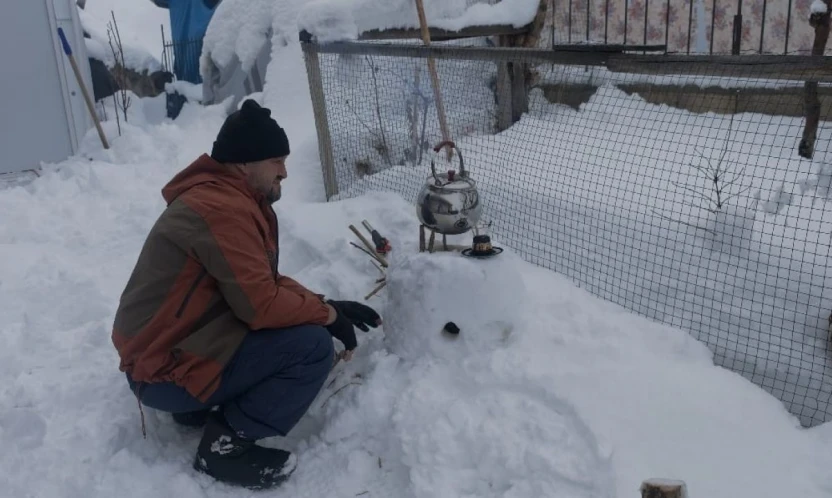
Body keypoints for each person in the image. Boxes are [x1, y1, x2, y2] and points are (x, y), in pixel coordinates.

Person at [111, 99, 382, 489]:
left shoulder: (224, 199)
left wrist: (326, 305)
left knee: (296, 326)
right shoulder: (221, 210)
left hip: (159, 356)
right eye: (276, 161)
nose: (285, 172)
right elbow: (263, 305)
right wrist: (326, 318)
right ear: (244, 163)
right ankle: (224, 446)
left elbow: (257, 283)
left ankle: (195, 405)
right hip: (159, 373)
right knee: (310, 347)